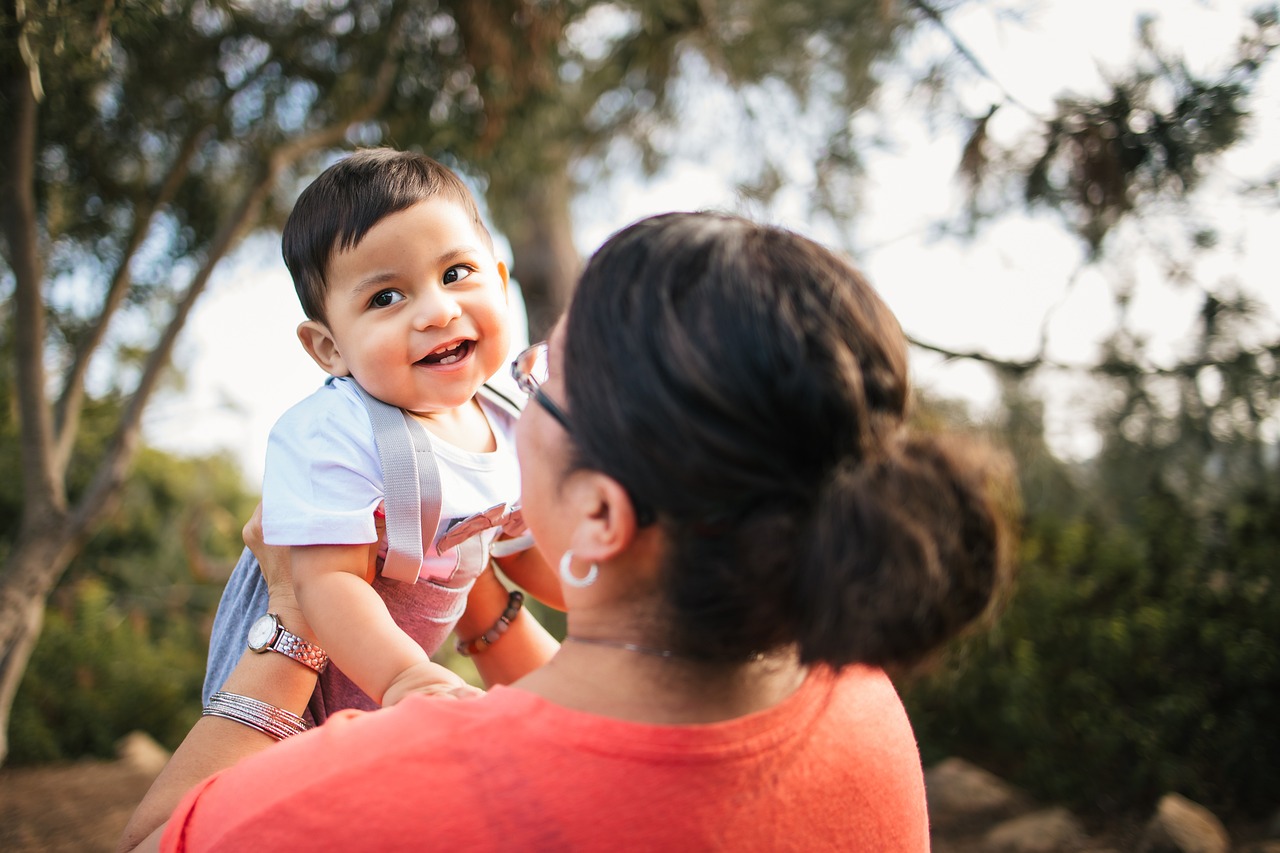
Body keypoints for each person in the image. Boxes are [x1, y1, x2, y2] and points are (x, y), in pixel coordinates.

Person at [119, 211, 1015, 852]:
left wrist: (294, 615)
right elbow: (600, 723)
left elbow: (155, 838)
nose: (504, 393)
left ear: (599, 514)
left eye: (538, 377)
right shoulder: (853, 690)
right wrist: (478, 602)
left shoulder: (399, 791)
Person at [204, 148, 562, 721]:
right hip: (292, 701)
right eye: (386, 297)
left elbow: (522, 551)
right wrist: (406, 677)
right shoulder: (336, 431)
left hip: (379, 707)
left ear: (499, 280)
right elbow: (327, 583)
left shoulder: (511, 420)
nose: (438, 312)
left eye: (455, 273)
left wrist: (613, 604)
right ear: (330, 347)